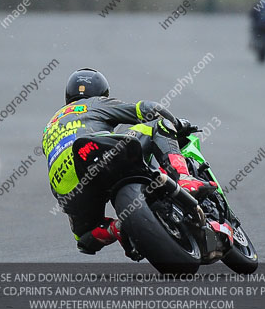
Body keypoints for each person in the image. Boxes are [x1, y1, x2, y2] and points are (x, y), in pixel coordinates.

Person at [42, 68, 217, 257]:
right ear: (102, 93)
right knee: (157, 125)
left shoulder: (49, 126)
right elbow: (147, 109)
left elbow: (86, 243)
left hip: (66, 186)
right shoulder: (93, 103)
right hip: (96, 153)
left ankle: (116, 228)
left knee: (85, 238)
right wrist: (176, 123)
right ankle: (183, 177)